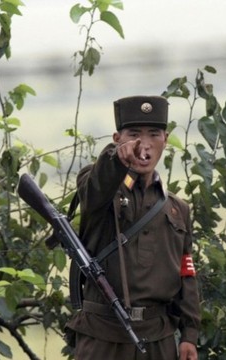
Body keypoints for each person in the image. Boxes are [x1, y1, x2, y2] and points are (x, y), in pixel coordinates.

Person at [66, 95, 201, 360]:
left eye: (153, 134)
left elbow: (187, 273)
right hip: (104, 338)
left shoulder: (177, 209)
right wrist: (116, 158)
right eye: (134, 134)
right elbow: (97, 185)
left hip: (158, 340)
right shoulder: (98, 187)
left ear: (165, 138)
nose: (144, 144)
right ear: (118, 138)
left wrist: (189, 335)